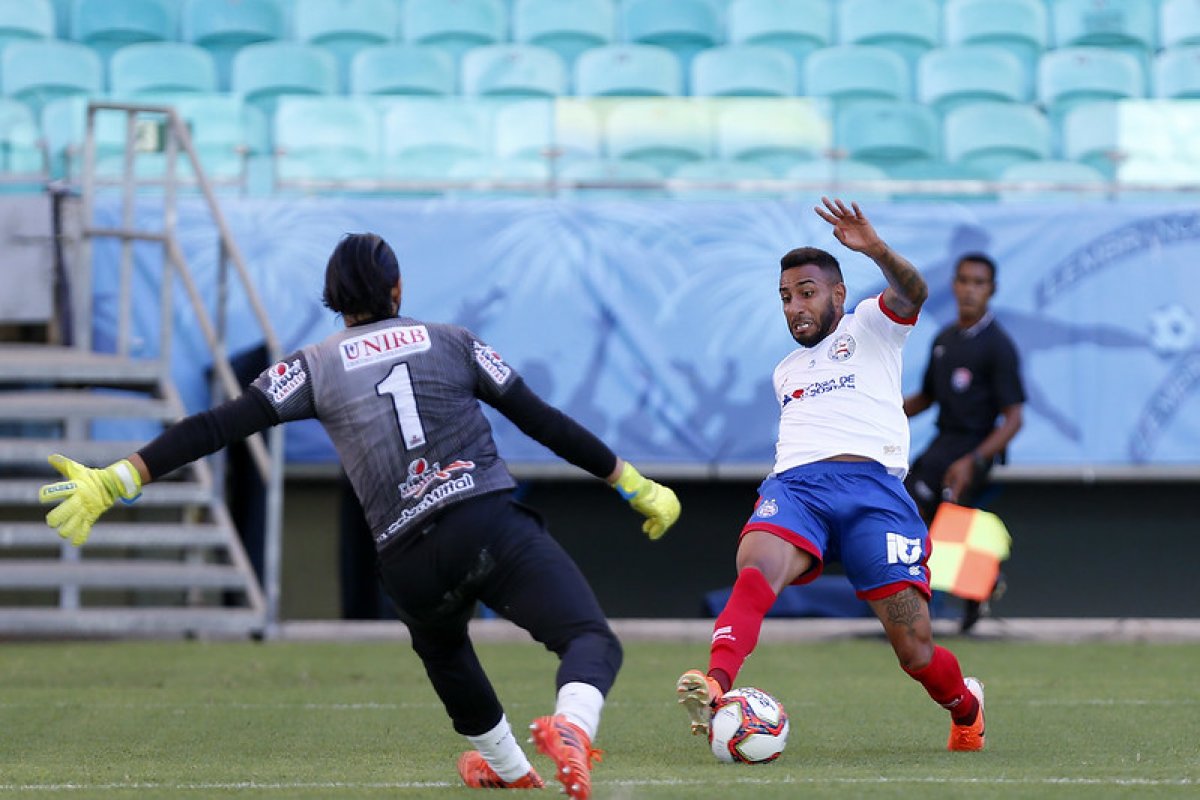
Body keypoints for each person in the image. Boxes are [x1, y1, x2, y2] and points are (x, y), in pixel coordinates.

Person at [37, 233, 681, 799]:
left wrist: (118, 477)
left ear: (333, 297)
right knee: (589, 641)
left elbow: (217, 425)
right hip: (484, 521)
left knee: (444, 646)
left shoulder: (312, 366)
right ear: (398, 287)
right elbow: (540, 419)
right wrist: (630, 482)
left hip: (405, 559)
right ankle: (570, 725)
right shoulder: (451, 341)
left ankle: (509, 769)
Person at [675, 198, 986, 753]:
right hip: (797, 489)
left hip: (874, 495)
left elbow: (914, 293)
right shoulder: (786, 371)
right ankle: (716, 685)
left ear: (837, 295)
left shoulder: (872, 325)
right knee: (755, 568)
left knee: (915, 651)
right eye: (785, 297)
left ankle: (966, 706)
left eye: (806, 292)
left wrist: (877, 250)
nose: (795, 306)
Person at [904, 252, 1025, 633]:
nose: (970, 290)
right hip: (945, 443)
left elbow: (1014, 418)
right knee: (906, 507)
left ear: (991, 290)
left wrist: (974, 459)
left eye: (979, 283)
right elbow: (926, 397)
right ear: (954, 286)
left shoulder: (997, 345)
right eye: (964, 281)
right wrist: (880, 410)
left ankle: (979, 586)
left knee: (952, 518)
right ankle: (921, 602)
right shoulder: (944, 340)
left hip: (977, 447)